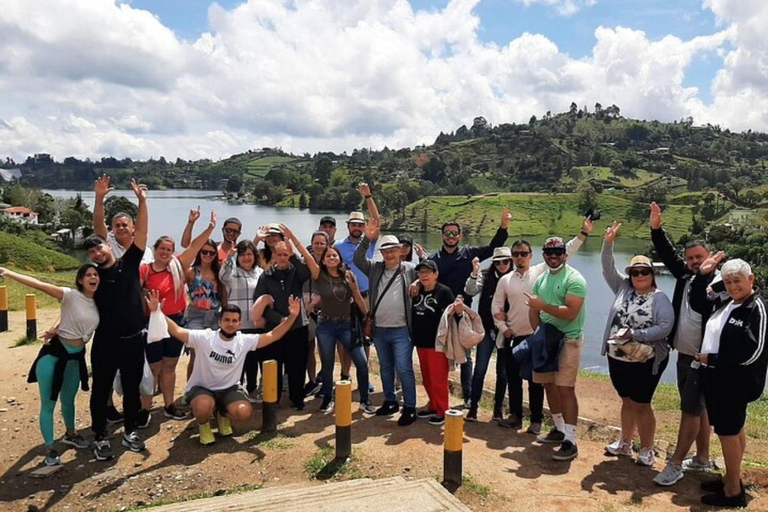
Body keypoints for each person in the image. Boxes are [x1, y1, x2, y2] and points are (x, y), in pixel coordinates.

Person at [148, 291, 301, 445]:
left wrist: (293, 316)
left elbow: (273, 335)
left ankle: (223, 414)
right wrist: (158, 311)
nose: (230, 323)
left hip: (229, 389)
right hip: (202, 389)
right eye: (226, 320)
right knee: (203, 407)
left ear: (240, 324)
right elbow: (177, 331)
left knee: (244, 412)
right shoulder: (205, 338)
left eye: (234, 320)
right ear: (219, 322)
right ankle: (204, 424)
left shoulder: (244, 341)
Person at [491, 221, 590, 433]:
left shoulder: (541, 271)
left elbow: (565, 250)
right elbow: (496, 308)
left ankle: (536, 421)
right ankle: (516, 416)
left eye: (523, 253)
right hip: (514, 335)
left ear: (531, 255)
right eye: (516, 254)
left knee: (538, 382)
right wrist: (503, 327)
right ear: (512, 257)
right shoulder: (505, 280)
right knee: (514, 379)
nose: (519, 257)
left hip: (538, 335)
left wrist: (582, 233)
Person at [0, 265, 99, 466]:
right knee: (48, 404)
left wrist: (56, 325)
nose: (93, 277)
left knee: (69, 399)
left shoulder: (100, 302)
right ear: (80, 280)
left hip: (76, 358)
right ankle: (49, 448)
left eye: (96, 274)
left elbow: (71, 315)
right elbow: (39, 284)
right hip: (53, 356)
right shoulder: (69, 294)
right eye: (88, 274)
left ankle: (70, 434)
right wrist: (7, 273)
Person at [650, 202, 719, 486]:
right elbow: (667, 254)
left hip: (702, 359)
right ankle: (702, 458)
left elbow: (705, 302)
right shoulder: (687, 276)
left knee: (690, 410)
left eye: (699, 257)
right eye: (690, 257)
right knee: (698, 408)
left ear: (710, 257)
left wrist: (705, 275)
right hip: (685, 354)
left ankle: (675, 463)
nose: (693, 261)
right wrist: (656, 228)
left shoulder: (718, 283)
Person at [691, 256, 766, 508]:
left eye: (738, 281)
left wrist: (712, 359)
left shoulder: (756, 308)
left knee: (728, 432)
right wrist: (704, 276)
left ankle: (733, 491)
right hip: (716, 378)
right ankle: (730, 478)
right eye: (729, 281)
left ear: (751, 279)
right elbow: (698, 301)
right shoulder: (726, 302)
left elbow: (752, 352)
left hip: (735, 383)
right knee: (733, 430)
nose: (734, 286)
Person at [84, 178, 149, 460]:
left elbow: (143, 232)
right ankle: (100, 435)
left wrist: (142, 201)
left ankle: (130, 431)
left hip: (134, 339)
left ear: (110, 246)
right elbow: (99, 228)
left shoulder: (130, 261)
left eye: (101, 247)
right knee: (100, 389)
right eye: (92, 251)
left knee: (133, 389)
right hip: (106, 342)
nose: (98, 251)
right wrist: (98, 200)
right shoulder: (93, 277)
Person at [600, 221, 674, 467]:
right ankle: (625, 442)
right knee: (626, 400)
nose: (639, 276)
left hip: (646, 359)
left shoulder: (660, 298)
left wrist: (635, 334)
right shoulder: (623, 288)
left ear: (652, 274)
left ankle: (647, 449)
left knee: (642, 403)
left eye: (644, 272)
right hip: (618, 357)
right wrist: (608, 243)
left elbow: (665, 327)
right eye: (635, 272)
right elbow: (607, 268)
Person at [427, 206, 510, 407]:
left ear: (460, 235)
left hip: (463, 312)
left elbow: (492, 249)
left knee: (465, 356)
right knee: (440, 356)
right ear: (442, 236)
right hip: (439, 314)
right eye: (447, 233)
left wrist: (503, 228)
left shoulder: (469, 253)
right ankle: (438, 399)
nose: (451, 236)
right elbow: (423, 277)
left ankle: (467, 398)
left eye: (455, 233)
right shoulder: (433, 260)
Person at [140, 211, 218, 423]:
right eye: (162, 249)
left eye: (169, 249)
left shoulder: (177, 266)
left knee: (170, 366)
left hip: (176, 321)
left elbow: (194, 246)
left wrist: (210, 228)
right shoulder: (145, 271)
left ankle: (169, 405)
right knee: (153, 366)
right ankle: (144, 409)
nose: (165, 252)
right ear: (155, 250)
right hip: (152, 322)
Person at [527, 236, 587, 461]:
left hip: (568, 340)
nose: (554, 257)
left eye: (558, 253)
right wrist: (538, 335)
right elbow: (533, 310)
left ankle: (571, 439)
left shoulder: (575, 279)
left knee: (565, 388)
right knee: (548, 385)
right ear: (544, 255)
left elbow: (571, 312)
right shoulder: (541, 280)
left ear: (565, 254)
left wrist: (542, 306)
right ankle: (559, 428)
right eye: (549, 253)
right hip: (546, 340)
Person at [354, 222, 418, 426]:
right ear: (381, 253)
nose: (390, 254)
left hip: (401, 329)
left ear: (401, 251)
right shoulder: (375, 268)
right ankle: (390, 401)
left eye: (393, 250)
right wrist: (367, 238)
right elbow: (357, 258)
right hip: (380, 329)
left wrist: (417, 282)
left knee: (404, 368)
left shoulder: (410, 270)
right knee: (385, 367)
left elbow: (430, 278)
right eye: (386, 251)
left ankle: (410, 407)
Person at [301, 241, 375, 414]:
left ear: (339, 258)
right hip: (326, 325)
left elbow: (357, 296)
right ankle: (328, 398)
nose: (332, 258)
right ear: (324, 260)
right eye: (328, 256)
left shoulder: (348, 275)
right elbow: (305, 255)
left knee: (362, 363)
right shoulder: (319, 275)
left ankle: (364, 399)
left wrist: (368, 316)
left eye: (335, 255)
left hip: (347, 325)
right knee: (327, 365)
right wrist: (292, 238)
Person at [252, 229, 311, 410]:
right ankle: (273, 398)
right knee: (273, 365)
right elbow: (260, 301)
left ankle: (297, 397)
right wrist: (279, 318)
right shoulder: (266, 275)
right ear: (274, 256)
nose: (283, 258)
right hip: (275, 328)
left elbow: (306, 273)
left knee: (297, 365)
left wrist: (293, 254)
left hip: (297, 327)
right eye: (279, 254)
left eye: (286, 254)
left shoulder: (297, 272)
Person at [464, 249, 512, 423]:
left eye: (505, 262)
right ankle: (473, 407)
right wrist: (475, 272)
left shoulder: (516, 278)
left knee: (503, 372)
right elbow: (470, 291)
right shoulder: (485, 275)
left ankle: (497, 409)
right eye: (498, 262)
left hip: (506, 331)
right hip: (486, 330)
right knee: (480, 370)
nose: (501, 265)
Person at [412, 260, 457, 426]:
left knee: (439, 378)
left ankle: (443, 410)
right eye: (421, 272)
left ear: (436, 274)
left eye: (427, 272)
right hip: (421, 342)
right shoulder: (417, 291)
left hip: (437, 343)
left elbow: (452, 317)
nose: (424, 275)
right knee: (427, 378)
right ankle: (433, 404)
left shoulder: (444, 292)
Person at [219, 240, 264, 397]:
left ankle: (252, 389)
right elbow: (223, 277)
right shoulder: (233, 272)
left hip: (255, 323)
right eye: (243, 254)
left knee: (252, 360)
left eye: (250, 254)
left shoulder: (259, 272)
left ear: (255, 256)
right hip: (237, 325)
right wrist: (229, 257)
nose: (246, 258)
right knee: (237, 360)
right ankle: (235, 390)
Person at [184, 238, 224, 381]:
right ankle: (190, 388)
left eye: (212, 252)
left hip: (214, 316)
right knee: (196, 352)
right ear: (199, 253)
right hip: (195, 316)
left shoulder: (219, 272)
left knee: (212, 353)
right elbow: (177, 289)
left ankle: (208, 385)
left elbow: (223, 295)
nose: (208, 255)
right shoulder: (191, 272)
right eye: (204, 252)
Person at [302, 231, 328, 397]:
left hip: (325, 312)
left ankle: (325, 380)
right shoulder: (304, 263)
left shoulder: (331, 261)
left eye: (322, 243)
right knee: (309, 348)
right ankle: (312, 380)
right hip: (307, 312)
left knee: (326, 349)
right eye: (316, 243)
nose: (318, 246)